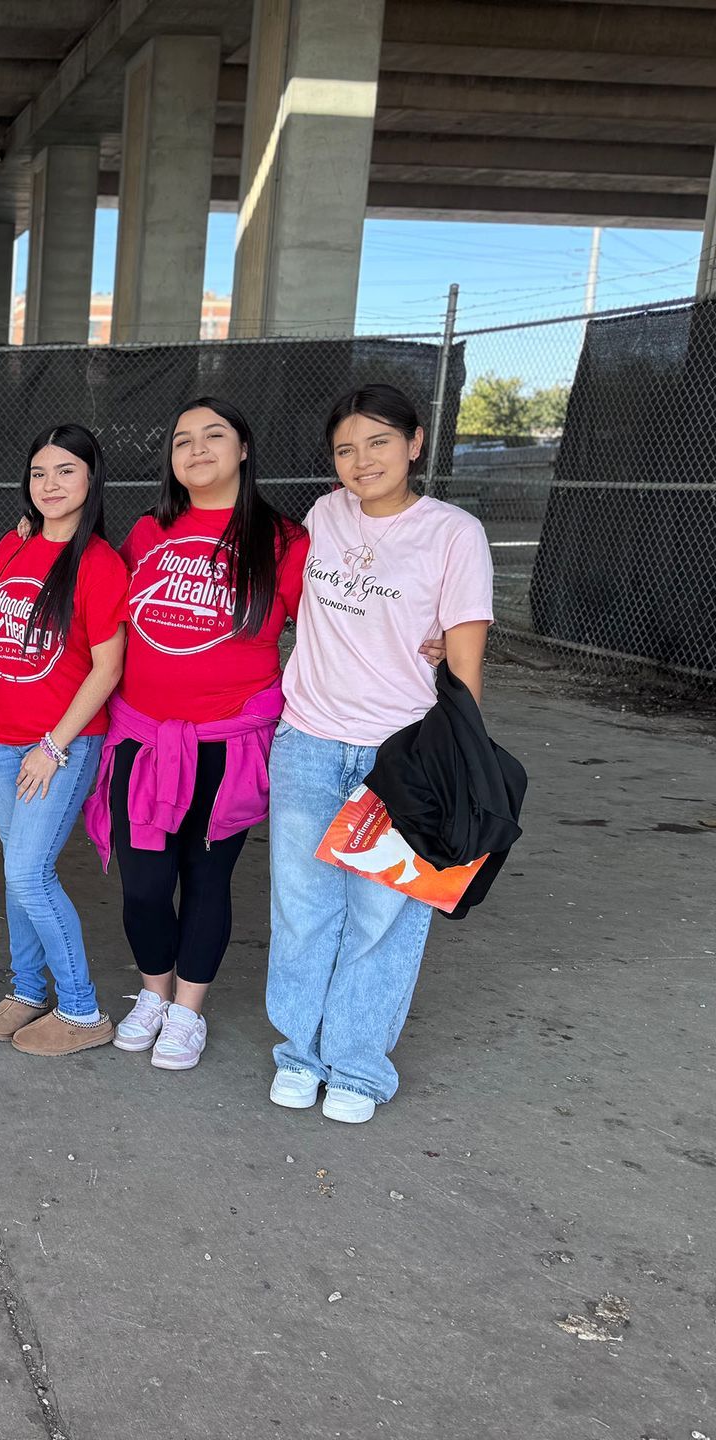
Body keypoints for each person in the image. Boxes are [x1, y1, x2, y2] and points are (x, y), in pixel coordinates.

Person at [266, 384, 493, 1123]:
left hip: (402, 753)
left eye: (380, 442)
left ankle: (358, 1066)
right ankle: (298, 1053)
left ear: (416, 444)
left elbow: (464, 661)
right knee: (303, 911)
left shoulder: (454, 533)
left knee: (384, 916)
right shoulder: (324, 515)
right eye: (346, 448)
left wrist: (456, 763)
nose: (362, 461)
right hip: (307, 740)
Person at [81, 398, 308, 1071]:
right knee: (144, 885)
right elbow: (100, 620)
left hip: (229, 744)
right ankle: (153, 994)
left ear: (244, 449)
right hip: (143, 742)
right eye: (183, 440)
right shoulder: (149, 532)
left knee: (207, 879)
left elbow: (338, 627)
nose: (197, 450)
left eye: (215, 436)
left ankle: (188, 1010)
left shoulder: (283, 541)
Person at [0, 423, 128, 1058]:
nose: (50, 485)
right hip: (0, 740)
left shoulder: (98, 562)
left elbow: (107, 667)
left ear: (91, 480)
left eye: (65, 471)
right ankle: (27, 989)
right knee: (18, 876)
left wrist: (55, 744)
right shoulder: (15, 547)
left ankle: (83, 1009)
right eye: (39, 473)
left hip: (55, 746)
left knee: (29, 873)